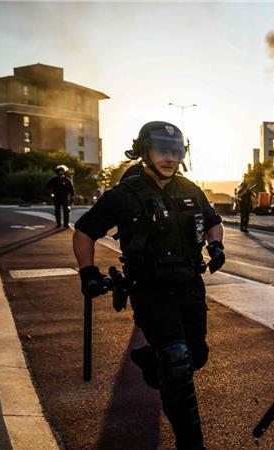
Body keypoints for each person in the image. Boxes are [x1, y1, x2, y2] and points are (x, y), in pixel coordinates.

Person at [73, 121, 224, 450]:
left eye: (175, 150)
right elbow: (84, 231)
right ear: (144, 151)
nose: (169, 157)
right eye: (161, 149)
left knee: (196, 356)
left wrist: (216, 246)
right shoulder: (125, 195)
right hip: (150, 288)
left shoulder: (190, 188)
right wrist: (88, 273)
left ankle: (149, 358)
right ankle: (190, 442)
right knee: (176, 359)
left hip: (190, 285)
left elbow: (214, 222)